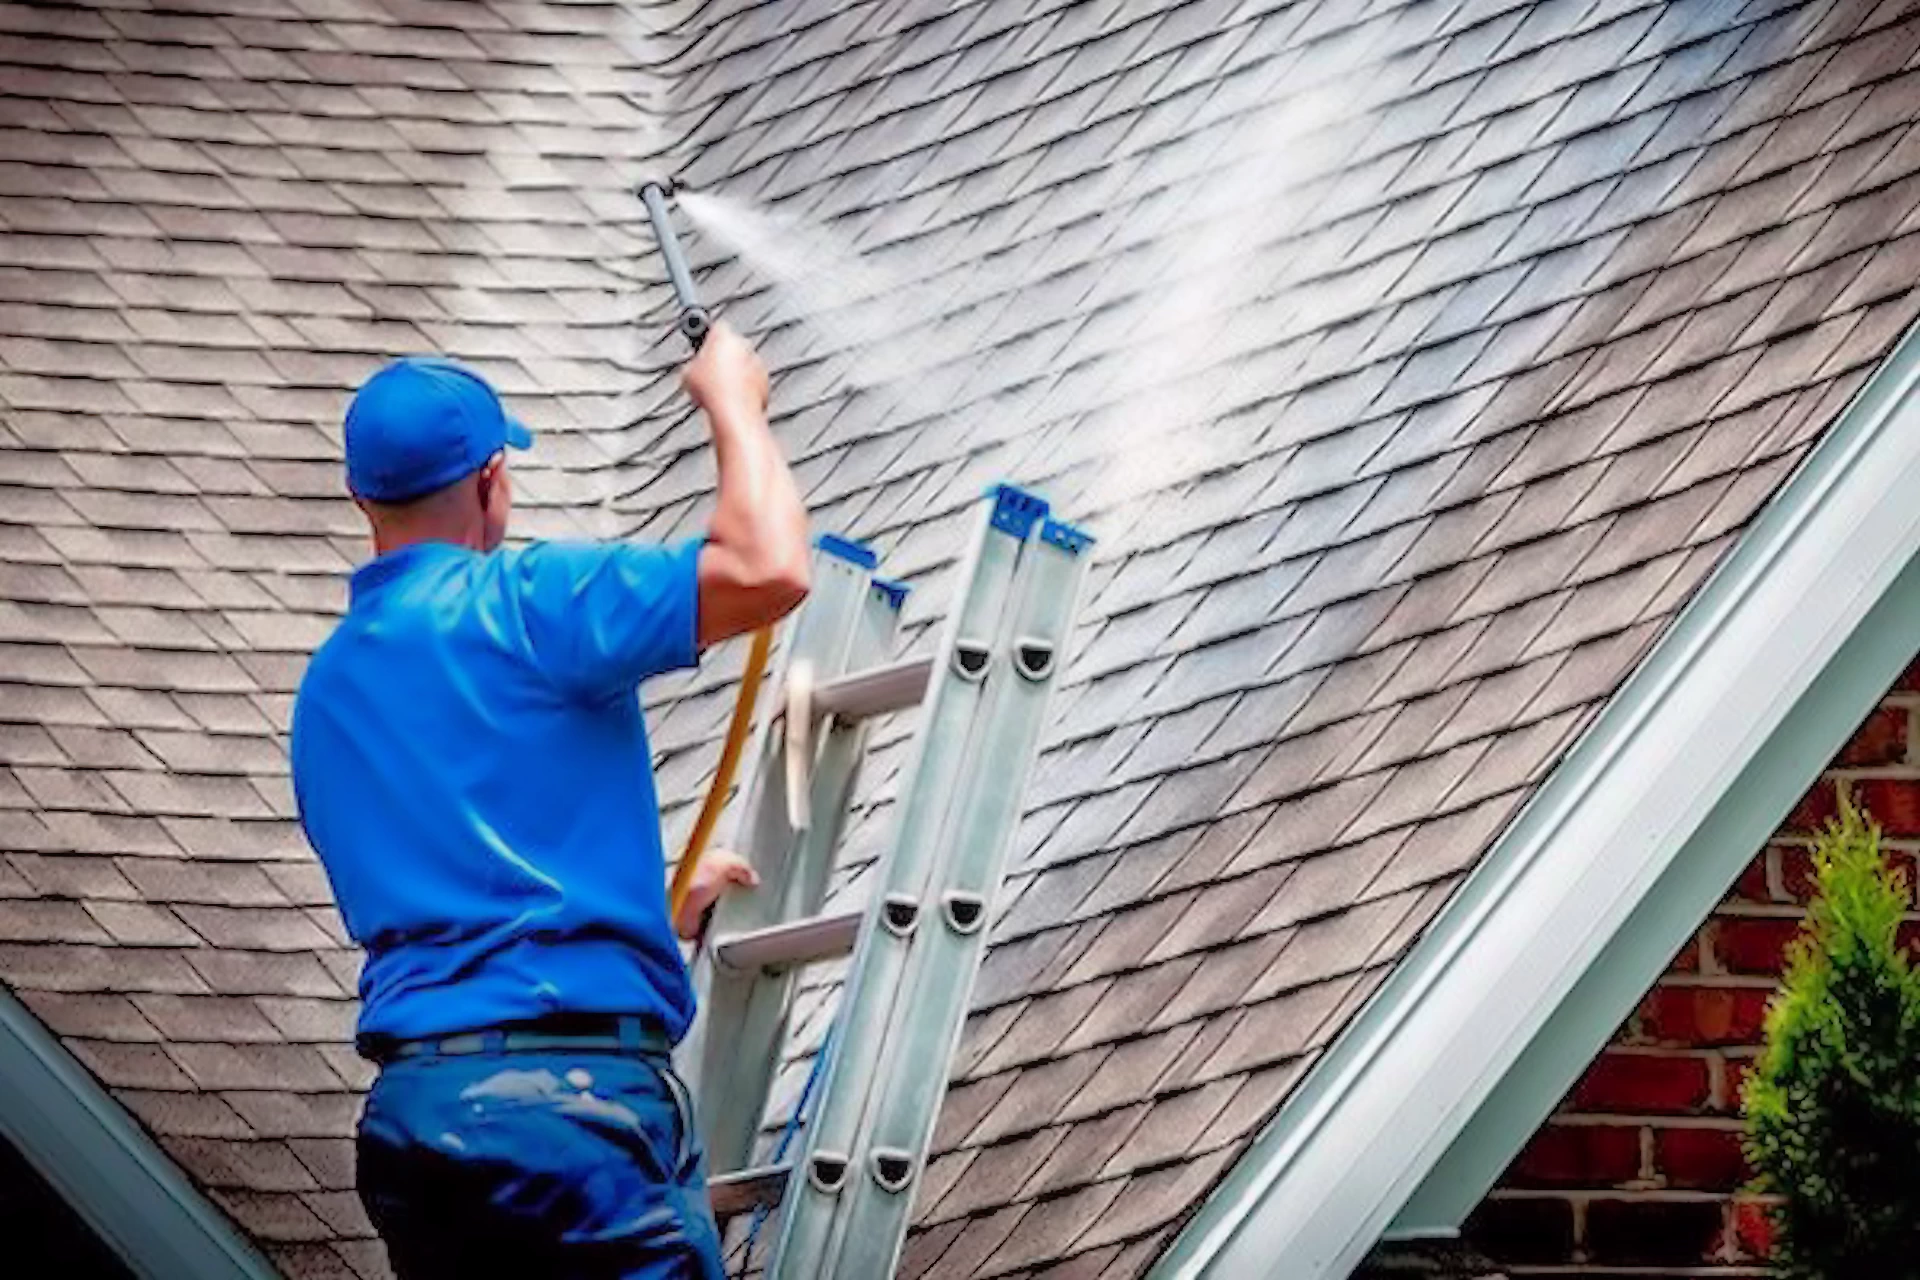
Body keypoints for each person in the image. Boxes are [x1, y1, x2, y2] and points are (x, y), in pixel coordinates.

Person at [290, 322, 808, 1279]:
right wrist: (734, 402)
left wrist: (647, 912)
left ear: (362, 496)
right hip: (571, 1117)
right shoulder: (530, 603)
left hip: (416, 1128)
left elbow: (457, 883)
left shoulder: (324, 695)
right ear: (493, 480)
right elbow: (768, 569)